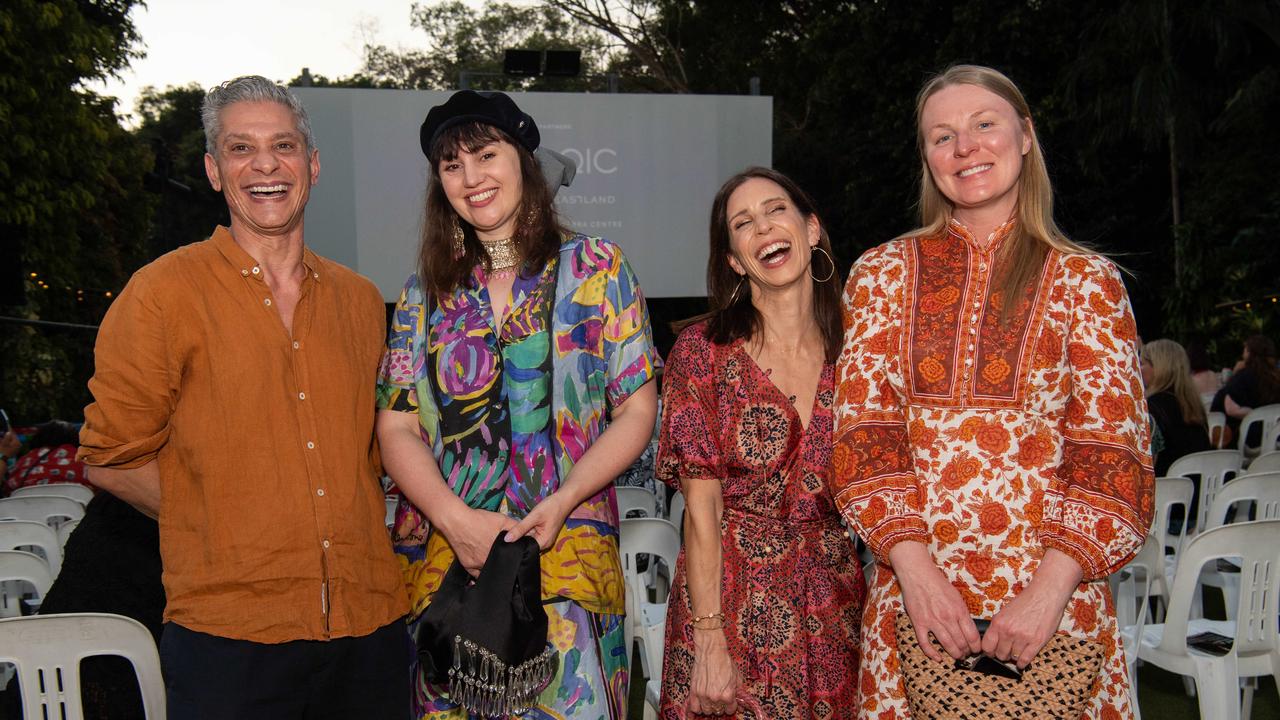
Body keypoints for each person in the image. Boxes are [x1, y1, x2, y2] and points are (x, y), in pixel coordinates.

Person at [78, 75, 411, 719]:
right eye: (240, 148)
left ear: (311, 166)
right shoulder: (160, 294)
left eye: (283, 146)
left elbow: (374, 453)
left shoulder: (362, 301)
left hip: (370, 623)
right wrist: (223, 523)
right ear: (212, 170)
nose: (265, 164)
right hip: (228, 638)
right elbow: (110, 457)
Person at [832, 65, 1153, 719]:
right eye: (942, 136)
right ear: (927, 159)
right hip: (918, 605)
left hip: (1054, 610)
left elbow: (1113, 455)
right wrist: (917, 577)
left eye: (984, 124)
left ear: (1025, 136)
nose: (966, 147)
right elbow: (863, 440)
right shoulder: (880, 275)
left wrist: (1046, 594)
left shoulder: (1087, 281)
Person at [376, 90, 660, 719]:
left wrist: (561, 501)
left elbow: (636, 411)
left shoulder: (598, 268)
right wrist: (454, 519)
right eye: (452, 165)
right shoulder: (424, 293)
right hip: (453, 577)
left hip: (569, 566)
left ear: (524, 159)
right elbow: (396, 427)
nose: (471, 177)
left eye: (485, 153)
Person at [656, 167, 865, 718]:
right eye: (742, 224)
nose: (763, 228)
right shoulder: (703, 353)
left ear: (812, 229)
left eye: (776, 210)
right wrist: (709, 641)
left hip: (835, 602)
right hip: (728, 603)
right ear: (732, 259)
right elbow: (701, 512)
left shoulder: (861, 351)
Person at [1141, 339, 1210, 477]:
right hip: (1197, 492)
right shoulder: (1193, 405)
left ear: (1158, 368)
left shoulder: (1152, 408)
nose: (1137, 368)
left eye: (1142, 363)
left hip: (1164, 493)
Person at [1211, 334, 1280, 445]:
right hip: (1274, 438)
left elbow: (1230, 409)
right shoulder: (1276, 377)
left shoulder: (1242, 378)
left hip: (1247, 440)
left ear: (1249, 352)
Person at [1, 420, 89, 497]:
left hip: (24, 512)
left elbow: (9, 490)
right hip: (75, 512)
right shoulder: (81, 459)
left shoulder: (25, 460)